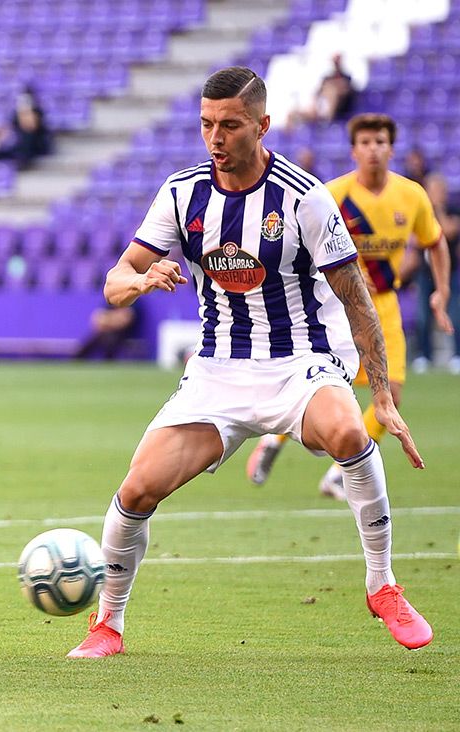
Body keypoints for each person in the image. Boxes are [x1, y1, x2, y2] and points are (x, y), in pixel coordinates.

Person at [67, 67, 432, 660]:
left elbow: (355, 295)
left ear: (262, 125)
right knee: (135, 491)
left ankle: (383, 585)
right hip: (216, 373)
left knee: (346, 431)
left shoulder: (303, 197)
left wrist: (383, 393)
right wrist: (142, 279)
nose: (216, 137)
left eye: (230, 125)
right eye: (207, 124)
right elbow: (115, 281)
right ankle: (107, 623)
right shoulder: (182, 193)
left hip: (298, 363)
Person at [246, 114, 452, 498]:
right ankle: (274, 441)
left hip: (384, 307)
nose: (373, 149)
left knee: (391, 392)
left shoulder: (412, 196)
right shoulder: (331, 194)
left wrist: (440, 292)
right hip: (336, 305)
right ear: (354, 149)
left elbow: (435, 242)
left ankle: (339, 475)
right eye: (366, 142)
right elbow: (299, 247)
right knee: (317, 384)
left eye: (380, 142)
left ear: (391, 148)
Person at [410, 173, 460, 373]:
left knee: (455, 314)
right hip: (424, 272)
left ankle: (456, 355)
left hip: (451, 272)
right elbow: (416, 240)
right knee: (422, 315)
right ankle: (424, 355)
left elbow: (447, 231)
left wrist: (437, 209)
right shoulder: (419, 213)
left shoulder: (453, 209)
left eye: (440, 190)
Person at [0, 87, 52, 169]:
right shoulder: (15, 115)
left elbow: (30, 126)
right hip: (20, 147)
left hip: (36, 146)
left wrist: (26, 111)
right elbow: (7, 127)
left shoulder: (37, 112)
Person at [74, 303, 139, 360]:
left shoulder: (134, 302)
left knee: (110, 340)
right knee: (95, 337)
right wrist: (114, 319)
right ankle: (77, 359)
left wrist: (110, 320)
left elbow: (124, 321)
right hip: (105, 332)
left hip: (123, 334)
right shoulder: (111, 301)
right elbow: (99, 319)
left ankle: (108, 361)